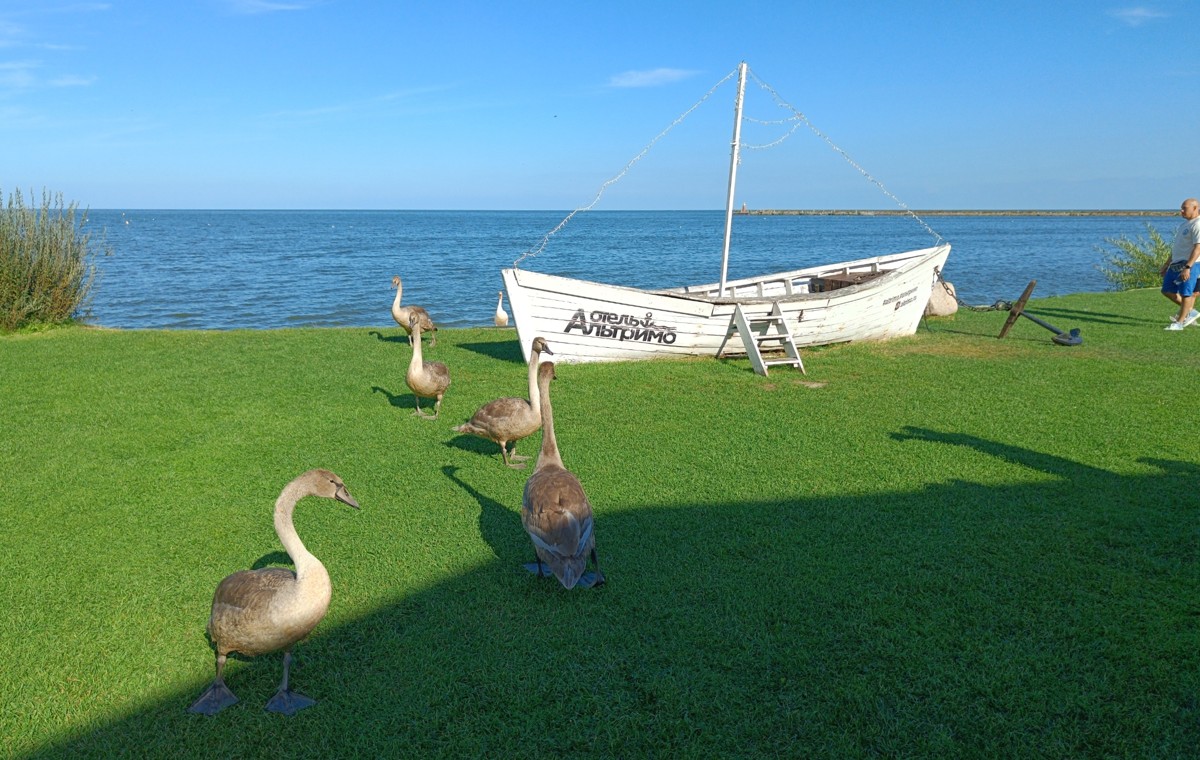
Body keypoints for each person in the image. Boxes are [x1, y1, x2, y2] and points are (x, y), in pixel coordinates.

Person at [1162, 197, 1200, 330]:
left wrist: (1188, 267)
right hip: (1176, 263)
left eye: (1185, 208)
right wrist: (1166, 264)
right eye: (1181, 208)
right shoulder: (1184, 225)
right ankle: (1190, 312)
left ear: (1195, 208)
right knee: (1166, 290)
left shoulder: (1198, 224)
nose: (1181, 210)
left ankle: (1179, 323)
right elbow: (1177, 247)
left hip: (1190, 264)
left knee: (1186, 293)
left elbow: (1197, 248)